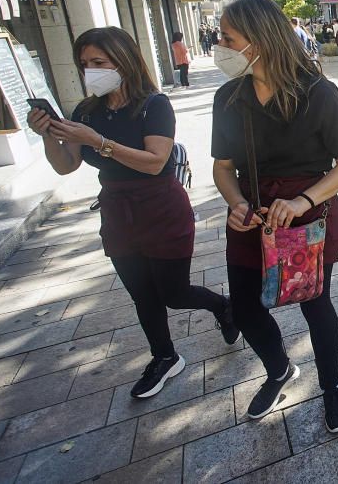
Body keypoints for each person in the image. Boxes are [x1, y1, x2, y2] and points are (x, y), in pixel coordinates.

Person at [26, 27, 238, 399]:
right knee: (143, 293)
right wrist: (49, 133)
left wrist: (100, 143)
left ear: (123, 60)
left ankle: (222, 306)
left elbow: (156, 162)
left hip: (161, 208)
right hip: (117, 212)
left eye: (99, 62)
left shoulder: (153, 105)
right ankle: (165, 356)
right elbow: (64, 166)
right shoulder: (86, 111)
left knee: (173, 292)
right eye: (84, 64)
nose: (90, 70)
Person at [211, 0, 338, 428]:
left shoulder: (316, 92)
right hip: (250, 217)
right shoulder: (228, 97)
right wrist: (236, 203)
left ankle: (331, 386)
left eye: (228, 38)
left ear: (259, 41)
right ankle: (279, 369)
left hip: (307, 216)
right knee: (244, 307)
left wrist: (303, 201)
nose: (219, 45)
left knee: (315, 305)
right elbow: (223, 168)